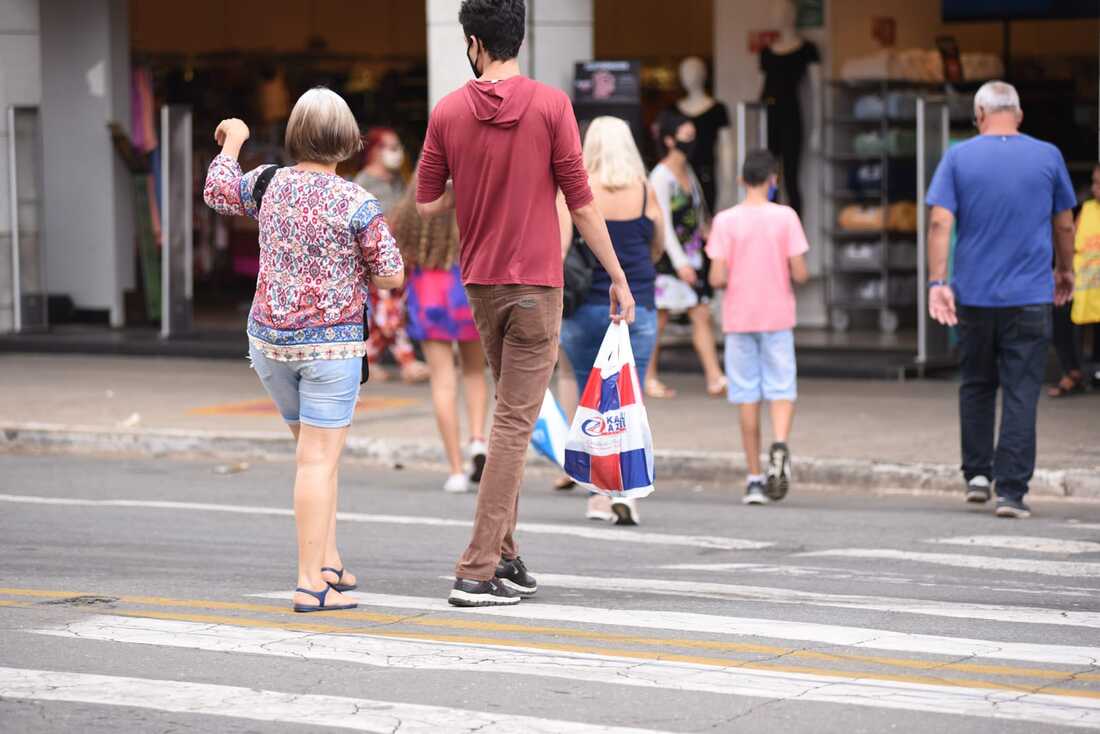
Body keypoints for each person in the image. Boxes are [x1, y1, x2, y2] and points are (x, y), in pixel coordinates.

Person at [417, 0, 635, 608]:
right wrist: (618, 276)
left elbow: (428, 201)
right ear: (516, 40)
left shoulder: (448, 111)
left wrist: (474, 175)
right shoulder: (550, 105)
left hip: (481, 283)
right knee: (515, 423)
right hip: (538, 287)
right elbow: (582, 201)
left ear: (473, 43)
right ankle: (478, 567)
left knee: (511, 417)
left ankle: (507, 557)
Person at [203, 88, 405, 612]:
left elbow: (217, 192)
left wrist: (234, 143)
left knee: (313, 454)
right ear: (349, 142)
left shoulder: (267, 182)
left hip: (269, 342)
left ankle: (329, 560)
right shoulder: (357, 203)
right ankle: (309, 582)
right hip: (330, 349)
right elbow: (390, 274)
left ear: (295, 137)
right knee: (318, 459)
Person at [926, 81, 1076, 519]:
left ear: (978, 114)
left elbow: (939, 221)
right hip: (1029, 297)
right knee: (1021, 391)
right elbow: (1064, 224)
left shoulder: (959, 156)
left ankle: (976, 475)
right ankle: (1011, 492)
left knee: (975, 383)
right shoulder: (1047, 155)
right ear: (1020, 113)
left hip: (973, 295)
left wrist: (938, 282)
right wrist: (1064, 270)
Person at [555, 116, 664, 525]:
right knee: (629, 401)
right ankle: (627, 491)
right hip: (638, 303)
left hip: (586, 305)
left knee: (589, 399)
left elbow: (562, 246)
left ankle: (599, 495)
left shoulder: (578, 191)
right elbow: (658, 244)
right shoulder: (645, 189)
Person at [707, 150, 809, 506]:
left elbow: (716, 275)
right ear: (773, 180)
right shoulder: (786, 217)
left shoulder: (725, 221)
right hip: (778, 316)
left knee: (746, 394)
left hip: (739, 318)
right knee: (781, 386)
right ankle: (779, 444)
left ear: (740, 181)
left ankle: (753, 479)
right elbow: (800, 272)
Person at [389, 174, 490, 494]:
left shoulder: (416, 196)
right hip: (467, 290)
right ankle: (477, 440)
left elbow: (395, 245)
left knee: (442, 381)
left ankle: (456, 470)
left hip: (429, 292)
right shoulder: (470, 190)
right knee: (474, 372)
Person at [648, 111, 726, 399]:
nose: (692, 142)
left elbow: (697, 211)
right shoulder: (660, 176)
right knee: (659, 318)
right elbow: (663, 224)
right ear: (669, 140)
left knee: (701, 313)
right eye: (686, 137)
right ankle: (649, 376)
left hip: (693, 255)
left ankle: (715, 376)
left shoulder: (689, 172)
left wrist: (707, 231)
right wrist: (679, 262)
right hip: (670, 259)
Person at [354, 127, 431, 385]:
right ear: (374, 150)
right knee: (390, 313)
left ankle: (366, 362)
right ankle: (407, 362)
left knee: (386, 315)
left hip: (400, 258)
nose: (396, 152)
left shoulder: (399, 181)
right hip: (375, 261)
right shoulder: (363, 182)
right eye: (390, 146)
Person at [1049, 162, 1100, 397]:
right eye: (1094, 182)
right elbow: (1069, 239)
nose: (1094, 188)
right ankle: (1072, 372)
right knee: (1059, 310)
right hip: (1083, 284)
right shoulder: (1087, 209)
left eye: (1099, 183)